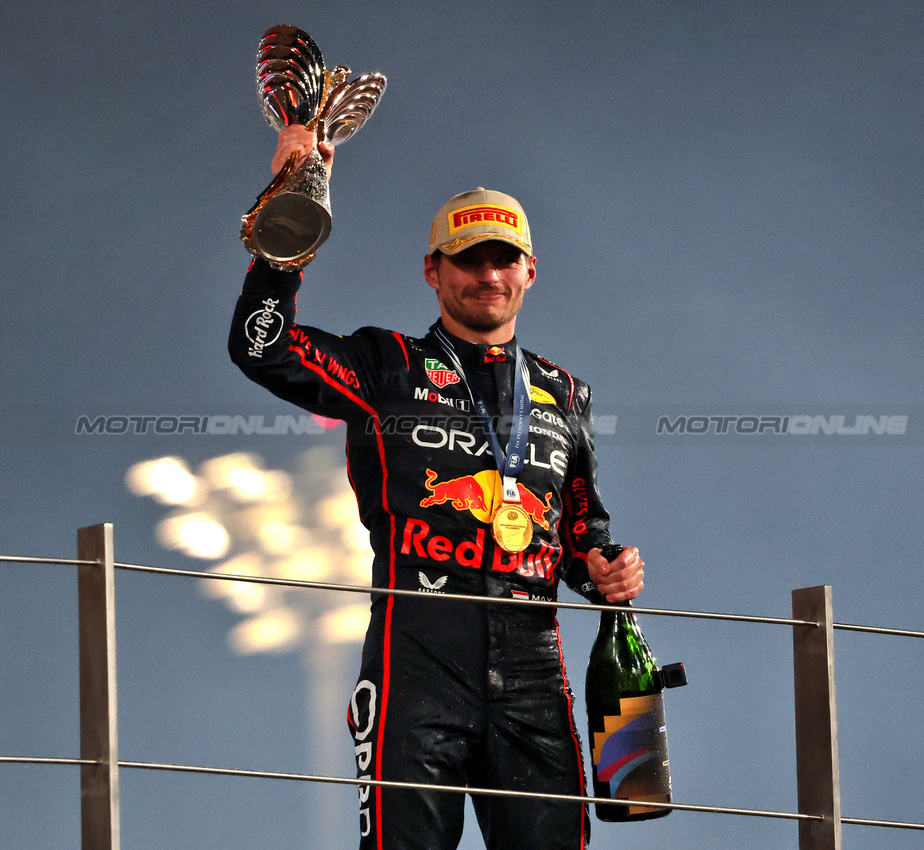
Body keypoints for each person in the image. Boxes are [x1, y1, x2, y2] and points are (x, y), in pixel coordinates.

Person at [230, 124, 645, 850]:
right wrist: (290, 219)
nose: (487, 275)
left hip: (533, 670)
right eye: (468, 259)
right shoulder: (385, 364)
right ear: (433, 271)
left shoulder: (564, 392)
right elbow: (261, 348)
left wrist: (606, 568)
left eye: (503, 259)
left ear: (530, 271)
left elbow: (582, 531)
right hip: (416, 663)